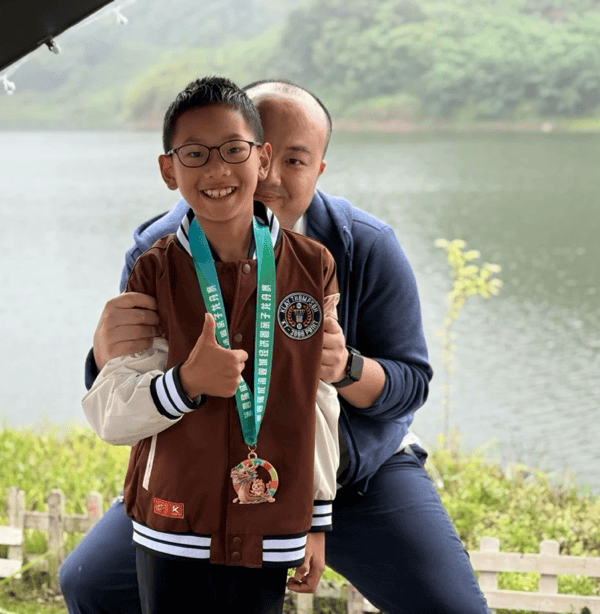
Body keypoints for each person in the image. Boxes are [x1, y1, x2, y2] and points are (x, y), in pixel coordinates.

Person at [62, 79, 491, 614]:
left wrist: (345, 367)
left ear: (318, 169)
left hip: (355, 477)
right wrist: (102, 352)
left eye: (295, 160)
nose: (269, 177)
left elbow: (411, 385)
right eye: (233, 150)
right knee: (89, 584)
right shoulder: (160, 250)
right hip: (207, 478)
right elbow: (122, 388)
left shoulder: (364, 245)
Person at [80, 76, 341, 614]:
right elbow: (110, 415)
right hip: (173, 524)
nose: (217, 169)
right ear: (168, 170)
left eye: (233, 150)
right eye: (195, 153)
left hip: (272, 522)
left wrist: (317, 518)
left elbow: (318, 398)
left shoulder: (313, 267)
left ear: (261, 159)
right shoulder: (154, 270)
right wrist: (184, 384)